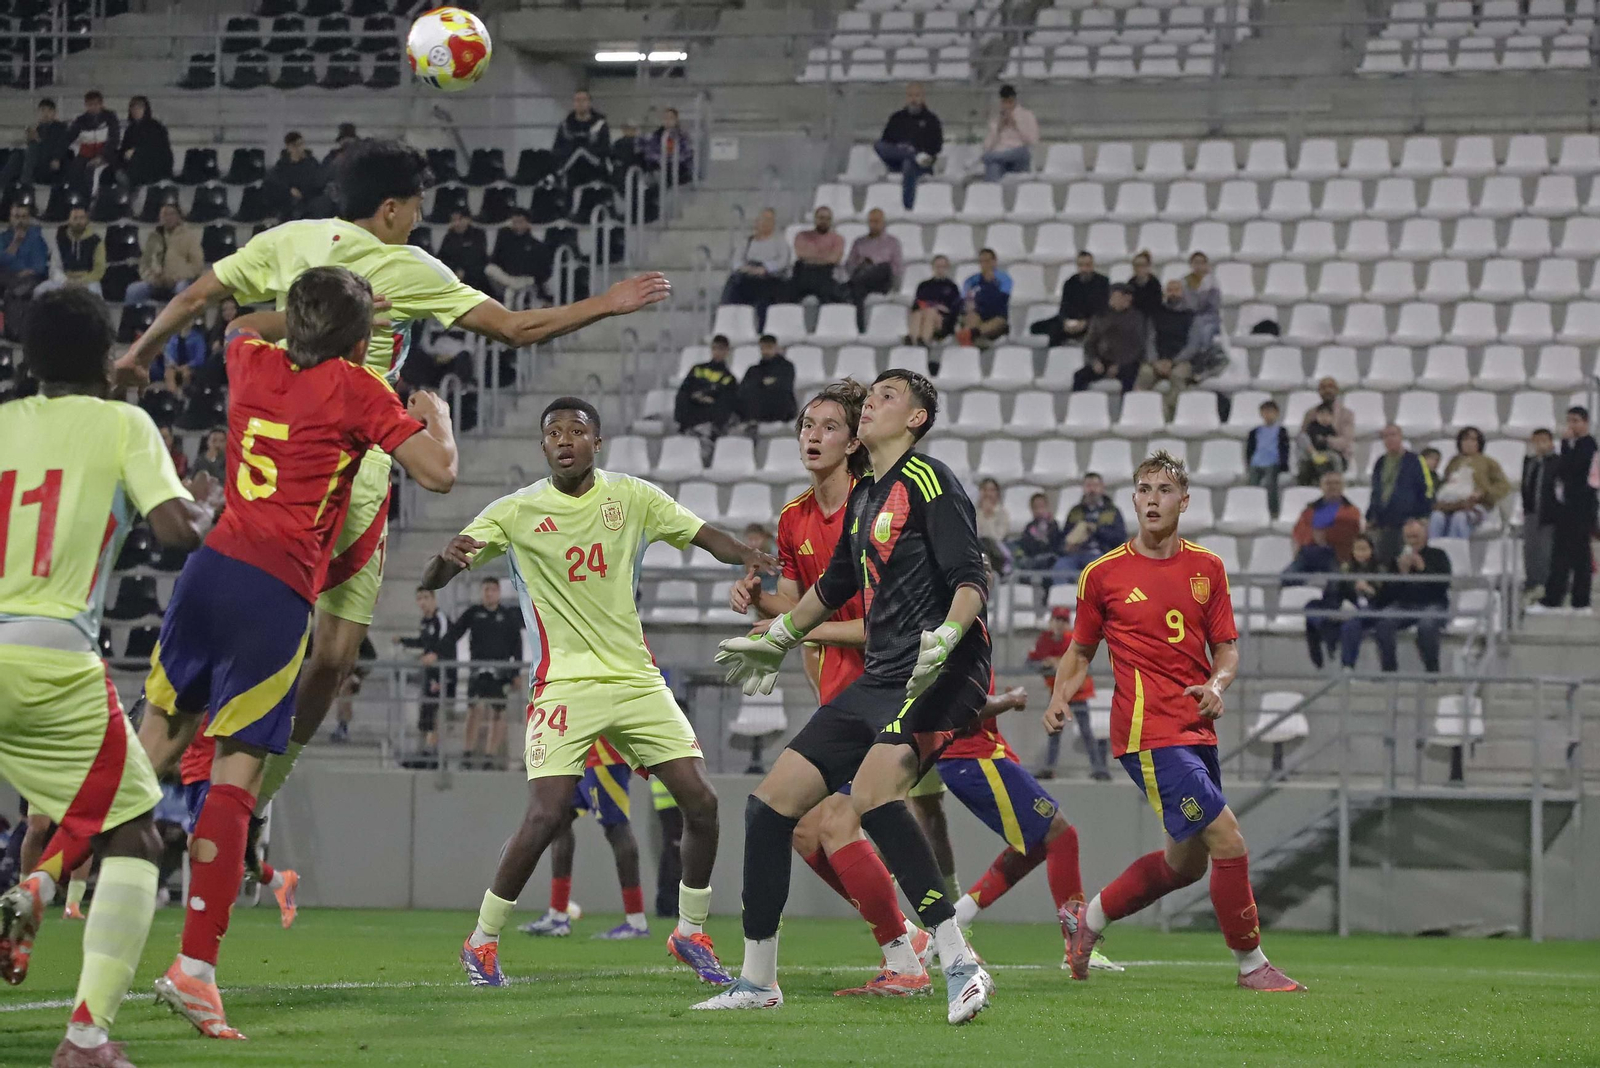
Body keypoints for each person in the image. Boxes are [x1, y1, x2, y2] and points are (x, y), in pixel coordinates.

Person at [115, 139, 672, 842]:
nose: (417, 219)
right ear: (388, 209)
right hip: (355, 474)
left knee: (234, 647)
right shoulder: (406, 266)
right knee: (334, 658)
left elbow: (204, 297)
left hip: (272, 469)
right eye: (414, 208)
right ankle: (249, 793)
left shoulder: (289, 240)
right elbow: (514, 329)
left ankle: (147, 806)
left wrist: (138, 355)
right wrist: (608, 302)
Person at [134, 267, 459, 1041]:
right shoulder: (357, 388)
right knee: (234, 779)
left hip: (206, 570)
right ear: (357, 337)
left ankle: (41, 871)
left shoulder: (253, 360)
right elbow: (439, 474)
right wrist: (440, 419)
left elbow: (238, 325)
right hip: (273, 591)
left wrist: (311, 319)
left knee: (147, 751)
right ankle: (196, 971)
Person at [421, 396, 776, 988]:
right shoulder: (515, 511)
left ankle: (690, 932)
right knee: (546, 814)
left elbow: (703, 534)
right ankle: (481, 941)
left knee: (703, 802)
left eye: (576, 430)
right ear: (543, 446)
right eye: (553, 431)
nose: (565, 439)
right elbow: (439, 575)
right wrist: (440, 562)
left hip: (635, 678)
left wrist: (749, 555)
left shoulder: (631, 497)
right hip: (564, 684)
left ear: (597, 442)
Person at [701, 369, 996, 1023]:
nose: (873, 405)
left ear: (916, 419)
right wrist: (777, 637)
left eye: (889, 397)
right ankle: (757, 981)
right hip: (880, 677)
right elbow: (833, 586)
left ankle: (956, 960)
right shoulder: (866, 503)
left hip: (941, 668)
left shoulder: (930, 480)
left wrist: (947, 635)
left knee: (870, 796)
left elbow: (972, 577)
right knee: (769, 805)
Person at [0, 286, 211, 1068]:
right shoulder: (126, 423)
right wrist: (211, 511)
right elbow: (171, 529)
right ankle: (86, 1038)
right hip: (49, 656)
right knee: (135, 833)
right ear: (107, 355)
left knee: (78, 813)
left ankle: (37, 891)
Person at [1049, 450, 1304, 993]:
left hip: (1196, 732)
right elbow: (1079, 651)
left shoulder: (1206, 568)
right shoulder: (1103, 574)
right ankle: (1252, 964)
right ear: (1134, 499)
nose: (1151, 499)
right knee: (1228, 838)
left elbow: (1228, 652)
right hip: (1146, 733)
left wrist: (1216, 686)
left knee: (1185, 865)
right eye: (1143, 489)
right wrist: (1059, 695)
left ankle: (1086, 921)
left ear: (1183, 501)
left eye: (1163, 490)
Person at [726, 379, 935, 996]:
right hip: (836, 697)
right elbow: (797, 601)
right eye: (806, 426)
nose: (812, 437)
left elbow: (884, 627)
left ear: (853, 442)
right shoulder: (794, 518)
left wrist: (791, 633)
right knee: (795, 825)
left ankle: (908, 953)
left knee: (838, 824)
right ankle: (909, 940)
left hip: (890, 692)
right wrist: (759, 600)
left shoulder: (879, 509)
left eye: (828, 427)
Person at [519, 738, 653, 940]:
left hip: (604, 756)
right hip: (580, 756)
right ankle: (557, 916)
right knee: (559, 822)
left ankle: (636, 922)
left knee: (617, 828)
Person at [1340, 518, 1450, 672]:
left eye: (1415, 537)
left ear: (1425, 537)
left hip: (1432, 603)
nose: (1412, 542)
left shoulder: (1438, 555)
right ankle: (1389, 671)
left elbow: (1443, 586)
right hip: (1404, 604)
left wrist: (1423, 569)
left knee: (1427, 626)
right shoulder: (1397, 559)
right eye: (1408, 538)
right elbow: (1388, 594)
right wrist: (1401, 574)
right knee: (1384, 623)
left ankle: (1432, 671)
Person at [441, 576, 525, 770]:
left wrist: (516, 672)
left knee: (498, 713)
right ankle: (467, 752)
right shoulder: (473, 613)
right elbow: (454, 633)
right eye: (485, 590)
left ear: (499, 593)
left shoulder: (508, 616)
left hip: (500, 672)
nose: (489, 593)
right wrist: (437, 652)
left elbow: (517, 646)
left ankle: (490, 755)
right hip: (478, 671)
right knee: (474, 709)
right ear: (481, 592)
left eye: (492, 590)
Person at [1027, 606, 1108, 780]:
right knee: (1054, 731)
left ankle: (1099, 769)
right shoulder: (1043, 640)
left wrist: (1061, 664)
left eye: (1064, 621)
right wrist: (1045, 664)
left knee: (1086, 731)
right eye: (1057, 620)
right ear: (1051, 622)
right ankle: (1049, 768)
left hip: (1077, 692)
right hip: (1058, 693)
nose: (1060, 624)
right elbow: (1029, 663)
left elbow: (1086, 664)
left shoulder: (1074, 640)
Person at [1536, 406, 1598, 612]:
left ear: (1585, 423)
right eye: (1569, 420)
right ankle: (1553, 598)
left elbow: (1575, 470)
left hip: (1581, 508)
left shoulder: (1589, 445)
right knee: (1559, 554)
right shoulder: (1572, 446)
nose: (1571, 425)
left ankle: (1581, 601)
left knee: (1580, 556)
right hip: (1566, 509)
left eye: (1575, 421)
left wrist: (1564, 444)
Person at [1303, 532, 1382, 670]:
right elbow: (1334, 593)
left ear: (1371, 550)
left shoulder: (1380, 568)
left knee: (1352, 623)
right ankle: (1328, 627)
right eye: (1358, 549)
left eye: (1364, 549)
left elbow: (1383, 594)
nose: (1361, 553)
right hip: (1344, 606)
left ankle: (1347, 665)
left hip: (1368, 608)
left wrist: (1368, 589)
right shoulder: (1345, 568)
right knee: (1311, 606)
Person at [395, 586, 451, 759]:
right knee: (426, 709)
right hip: (429, 672)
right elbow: (423, 642)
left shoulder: (440, 619)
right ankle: (424, 749)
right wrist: (404, 640)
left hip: (442, 672)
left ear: (433, 599)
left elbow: (447, 640)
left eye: (426, 597)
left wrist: (436, 655)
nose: (423, 602)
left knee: (435, 709)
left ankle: (433, 749)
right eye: (419, 598)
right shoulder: (424, 621)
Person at [1366, 424, 1434, 564]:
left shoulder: (1415, 460)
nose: (1389, 439)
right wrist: (1370, 515)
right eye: (1386, 436)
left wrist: (1422, 515)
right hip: (1383, 520)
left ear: (1401, 437)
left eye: (1393, 435)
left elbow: (1427, 488)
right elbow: (1376, 491)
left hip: (1407, 520)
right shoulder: (1380, 462)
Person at [1429, 425, 1510, 539]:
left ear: (1479, 443)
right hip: (1451, 504)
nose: (1468, 443)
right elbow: (1445, 482)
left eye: (1472, 440)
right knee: (1436, 518)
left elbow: (1503, 485)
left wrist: (1484, 492)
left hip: (1477, 506)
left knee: (1459, 518)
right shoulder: (1454, 462)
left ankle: (1456, 552)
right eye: (1465, 439)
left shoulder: (1488, 462)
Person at [874, 83, 943, 210]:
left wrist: (918, 150)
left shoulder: (932, 120)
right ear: (906, 98)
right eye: (910, 95)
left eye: (917, 95)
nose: (913, 99)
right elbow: (886, 142)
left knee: (908, 163)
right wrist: (905, 150)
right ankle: (912, 154)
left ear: (923, 97)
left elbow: (936, 147)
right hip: (896, 160)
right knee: (878, 145)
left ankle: (908, 208)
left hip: (922, 164)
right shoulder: (896, 118)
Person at [1071, 284, 1148, 393]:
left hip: (1127, 362)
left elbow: (1138, 346)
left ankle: (1125, 408)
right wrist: (1094, 361)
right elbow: (1089, 343)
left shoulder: (1137, 318)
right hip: (1103, 360)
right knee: (1079, 376)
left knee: (1129, 378)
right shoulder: (1100, 316)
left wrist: (1119, 364)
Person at [675, 333, 740, 463]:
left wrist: (702, 397)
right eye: (715, 348)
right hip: (690, 417)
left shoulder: (729, 379)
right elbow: (685, 391)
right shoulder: (697, 369)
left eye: (721, 349)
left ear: (727, 351)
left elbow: (725, 402)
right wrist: (703, 397)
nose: (717, 352)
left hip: (710, 423)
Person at [720, 207, 789, 326]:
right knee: (733, 283)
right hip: (748, 275)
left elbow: (783, 261)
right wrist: (747, 269)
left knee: (766, 296)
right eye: (763, 219)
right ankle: (727, 319)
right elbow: (736, 260)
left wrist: (765, 269)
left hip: (768, 278)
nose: (765, 223)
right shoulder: (747, 241)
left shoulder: (780, 242)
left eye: (769, 220)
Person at [125, 202, 203, 307]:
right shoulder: (154, 237)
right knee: (133, 290)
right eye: (164, 214)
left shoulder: (189, 237)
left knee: (182, 288)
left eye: (171, 214)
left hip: (179, 281)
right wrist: (152, 278)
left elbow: (197, 266)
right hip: (156, 282)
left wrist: (175, 277)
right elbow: (144, 264)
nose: (168, 217)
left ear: (179, 217)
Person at [1053, 473, 1127, 583]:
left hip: (1099, 554)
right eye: (1088, 486)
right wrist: (1067, 546)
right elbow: (1064, 535)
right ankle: (1064, 599)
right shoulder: (1075, 511)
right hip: (1075, 554)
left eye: (1095, 486)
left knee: (1097, 570)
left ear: (1102, 488)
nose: (1092, 490)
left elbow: (1120, 538)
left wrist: (1097, 530)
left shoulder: (1112, 511)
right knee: (1060, 567)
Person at [1035, 251, 1108, 347]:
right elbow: (1064, 306)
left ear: (1092, 265)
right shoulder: (1070, 283)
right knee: (1040, 328)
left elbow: (1103, 311)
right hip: (1072, 321)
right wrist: (1065, 321)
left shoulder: (1103, 283)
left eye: (1087, 265)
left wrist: (1086, 323)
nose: (1084, 269)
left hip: (1092, 322)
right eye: (1081, 265)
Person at [1521, 428, 1560, 600]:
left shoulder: (1557, 462)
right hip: (1530, 511)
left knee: (1546, 550)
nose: (1539, 444)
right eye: (1535, 441)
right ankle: (1532, 582)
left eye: (1543, 440)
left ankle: (1545, 584)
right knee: (1530, 549)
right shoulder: (1529, 462)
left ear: (1551, 442)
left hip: (1549, 513)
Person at [1291, 470, 1363, 563]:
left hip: (1336, 557)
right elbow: (1298, 533)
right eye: (1328, 483)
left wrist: (1324, 536)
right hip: (1307, 555)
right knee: (1288, 575)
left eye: (1336, 483)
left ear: (1343, 486)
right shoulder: (1309, 510)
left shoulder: (1352, 511)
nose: (1332, 487)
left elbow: (1349, 535)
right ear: (1321, 486)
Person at [844, 207, 903, 320]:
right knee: (858, 290)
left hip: (881, 280)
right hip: (862, 280)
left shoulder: (892, 242)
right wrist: (862, 266)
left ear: (883, 222)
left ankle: (850, 285)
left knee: (883, 267)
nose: (874, 224)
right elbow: (850, 264)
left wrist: (873, 266)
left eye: (877, 221)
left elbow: (897, 267)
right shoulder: (859, 242)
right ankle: (860, 327)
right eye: (871, 221)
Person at [35, 205, 105, 297]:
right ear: (69, 220)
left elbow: (99, 270)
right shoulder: (60, 240)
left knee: (96, 295)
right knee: (39, 291)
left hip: (88, 281)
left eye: (81, 218)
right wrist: (66, 281)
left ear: (87, 220)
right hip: (64, 281)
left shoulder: (96, 241)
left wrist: (81, 281)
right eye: (75, 218)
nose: (78, 222)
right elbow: (55, 267)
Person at [0, 98, 70, 189]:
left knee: (33, 147)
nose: (46, 114)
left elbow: (61, 145)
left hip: (49, 163)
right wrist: (29, 138)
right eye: (43, 110)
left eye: (49, 111)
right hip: (34, 165)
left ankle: (25, 183)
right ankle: (3, 184)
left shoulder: (60, 128)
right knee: (16, 155)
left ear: (54, 113)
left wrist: (56, 158)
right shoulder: (36, 128)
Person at [486, 206, 551, 299]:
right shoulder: (505, 240)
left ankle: (513, 286)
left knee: (510, 292)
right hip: (506, 279)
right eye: (514, 222)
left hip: (526, 280)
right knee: (489, 269)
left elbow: (544, 271)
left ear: (528, 223)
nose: (517, 226)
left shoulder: (537, 245)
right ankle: (513, 284)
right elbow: (495, 260)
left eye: (520, 222)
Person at [738, 333, 797, 431]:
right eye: (763, 348)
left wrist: (760, 385)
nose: (765, 351)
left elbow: (784, 387)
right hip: (759, 409)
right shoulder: (754, 370)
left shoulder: (786, 367)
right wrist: (764, 384)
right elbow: (743, 389)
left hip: (780, 409)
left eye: (769, 347)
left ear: (776, 348)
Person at [64, 91, 119, 196]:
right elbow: (68, 138)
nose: (93, 107)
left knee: (92, 170)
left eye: (96, 104)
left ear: (101, 104)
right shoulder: (80, 121)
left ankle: (92, 199)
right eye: (90, 105)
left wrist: (102, 156)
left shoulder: (110, 118)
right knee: (73, 170)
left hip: (106, 156)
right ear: (86, 105)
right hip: (85, 155)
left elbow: (114, 140)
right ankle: (75, 201)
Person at [979, 84, 1038, 182]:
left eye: (1010, 102)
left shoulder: (1027, 115)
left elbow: (1033, 141)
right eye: (1004, 102)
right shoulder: (996, 119)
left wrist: (1016, 126)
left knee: (989, 157)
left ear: (1015, 100)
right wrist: (999, 129)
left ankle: (986, 158)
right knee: (993, 166)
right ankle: (993, 194)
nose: (1007, 105)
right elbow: (987, 146)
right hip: (1000, 154)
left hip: (1019, 152)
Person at [552, 89, 611, 185]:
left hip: (594, 171)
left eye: (584, 100)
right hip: (570, 171)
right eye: (577, 100)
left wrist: (587, 152)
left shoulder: (600, 125)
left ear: (590, 103)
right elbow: (557, 149)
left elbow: (606, 149)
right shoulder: (565, 126)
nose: (580, 103)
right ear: (573, 103)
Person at [0, 201, 49, 315]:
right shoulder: (3, 238)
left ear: (29, 219)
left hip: (29, 279)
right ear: (10, 219)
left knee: (20, 289)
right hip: (7, 277)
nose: (20, 221)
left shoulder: (36, 238)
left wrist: (22, 270)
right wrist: (16, 243)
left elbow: (39, 266)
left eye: (24, 217)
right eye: (16, 217)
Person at [789, 206, 845, 305]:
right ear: (815, 219)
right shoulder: (801, 236)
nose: (824, 221)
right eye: (821, 218)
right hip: (804, 273)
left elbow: (834, 259)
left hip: (825, 273)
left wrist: (812, 255)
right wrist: (824, 256)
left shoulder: (838, 238)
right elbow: (801, 254)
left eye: (828, 219)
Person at [956, 248, 1011, 348]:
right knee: (972, 316)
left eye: (988, 261)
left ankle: (972, 333)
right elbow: (965, 300)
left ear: (994, 261)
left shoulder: (1004, 279)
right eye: (982, 261)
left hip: (996, 315)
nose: (985, 264)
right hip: (978, 314)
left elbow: (1001, 300)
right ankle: (970, 341)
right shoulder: (971, 280)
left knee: (998, 320)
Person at [1246, 399, 1290, 520]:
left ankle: (1273, 512)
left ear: (1277, 413)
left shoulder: (1281, 431)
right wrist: (1249, 463)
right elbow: (1249, 449)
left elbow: (1285, 449)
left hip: (1273, 462)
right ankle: (1252, 510)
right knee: (1252, 486)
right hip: (1256, 462)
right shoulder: (1255, 431)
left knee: (1271, 486)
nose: (1268, 415)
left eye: (1271, 412)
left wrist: (1284, 465)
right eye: (1265, 412)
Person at [1303, 376, 1356, 477]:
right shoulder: (1310, 414)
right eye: (1323, 388)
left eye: (1330, 387)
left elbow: (1346, 441)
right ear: (1319, 392)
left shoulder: (1346, 414)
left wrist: (1326, 441)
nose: (1327, 390)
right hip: (1314, 455)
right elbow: (1304, 436)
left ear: (1336, 390)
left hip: (1337, 457)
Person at [265, 131, 324, 221]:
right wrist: (289, 190)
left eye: (300, 144)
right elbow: (275, 181)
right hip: (287, 204)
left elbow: (318, 182)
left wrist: (303, 194)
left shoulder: (312, 163)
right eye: (294, 145)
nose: (298, 148)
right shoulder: (282, 165)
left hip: (309, 203)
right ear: (289, 147)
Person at [906, 254, 960, 348]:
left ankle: (923, 341)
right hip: (924, 315)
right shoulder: (923, 285)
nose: (940, 269)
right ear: (933, 267)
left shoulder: (952, 287)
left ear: (948, 268)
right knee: (919, 313)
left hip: (942, 321)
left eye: (943, 267)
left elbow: (954, 309)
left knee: (930, 312)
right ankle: (916, 340)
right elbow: (916, 304)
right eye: (938, 266)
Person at [117, 96, 171, 189]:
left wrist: (136, 151)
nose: (136, 111)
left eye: (139, 108)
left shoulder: (155, 127)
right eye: (133, 108)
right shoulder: (130, 129)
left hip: (154, 164)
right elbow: (124, 148)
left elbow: (157, 149)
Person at [438, 207, 491, 293]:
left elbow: (478, 257)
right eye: (453, 220)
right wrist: (455, 269)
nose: (456, 223)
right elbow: (442, 258)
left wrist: (463, 270)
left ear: (468, 220)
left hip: (475, 275)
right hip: (454, 274)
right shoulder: (449, 236)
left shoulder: (478, 234)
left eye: (459, 220)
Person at [1181, 250, 1222, 355]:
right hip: (1189, 317)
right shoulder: (1184, 282)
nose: (1198, 266)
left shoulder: (1212, 282)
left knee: (1206, 331)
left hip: (1210, 318)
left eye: (1201, 263)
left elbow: (1213, 305)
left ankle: (1204, 356)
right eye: (1196, 262)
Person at [1296, 402, 1345, 485]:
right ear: (1317, 416)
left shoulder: (1331, 429)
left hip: (1325, 453)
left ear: (1332, 417)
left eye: (1327, 415)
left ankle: (1338, 479)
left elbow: (1333, 444)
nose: (1324, 418)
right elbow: (1306, 440)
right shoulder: (1312, 426)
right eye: (1321, 415)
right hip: (1312, 452)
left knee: (1336, 458)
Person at [642, 106, 694, 185]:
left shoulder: (682, 136)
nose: (667, 121)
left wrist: (670, 160)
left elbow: (686, 154)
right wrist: (660, 160)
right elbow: (650, 152)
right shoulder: (656, 136)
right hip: (659, 166)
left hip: (677, 168)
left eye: (671, 118)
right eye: (665, 118)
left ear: (676, 120)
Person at [974, 476, 1011, 565]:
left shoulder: (1003, 513)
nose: (988, 494)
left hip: (996, 554)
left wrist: (988, 516)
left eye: (991, 490)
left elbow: (996, 538)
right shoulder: (973, 511)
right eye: (985, 490)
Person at [1126, 250, 1162, 319]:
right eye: (1136, 265)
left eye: (1142, 265)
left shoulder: (1155, 284)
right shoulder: (1130, 283)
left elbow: (1156, 306)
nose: (1139, 268)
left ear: (1148, 266)